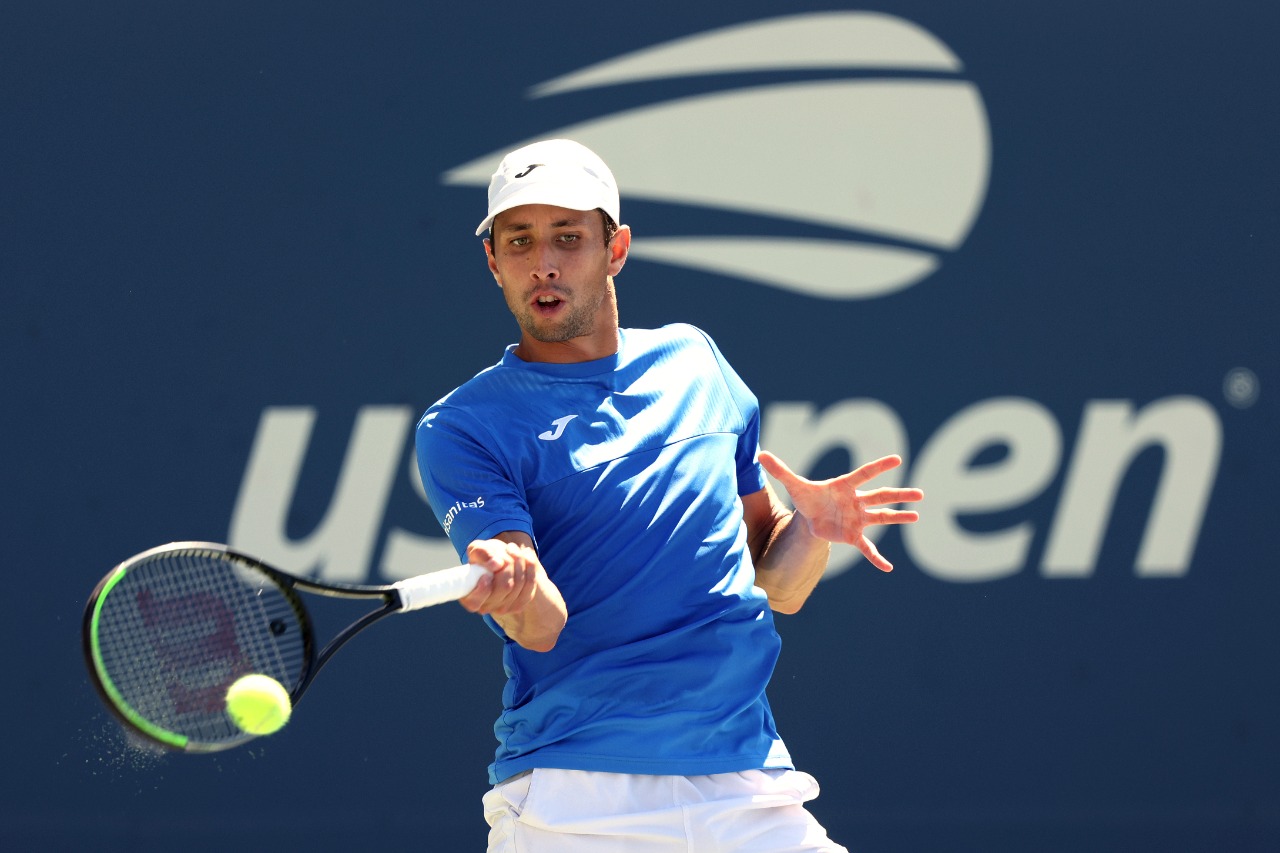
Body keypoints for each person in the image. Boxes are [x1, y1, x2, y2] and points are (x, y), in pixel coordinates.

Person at [415, 139, 923, 852]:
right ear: (494, 260)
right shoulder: (463, 426)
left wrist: (812, 529)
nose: (545, 263)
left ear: (615, 249)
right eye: (520, 241)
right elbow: (542, 624)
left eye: (569, 237)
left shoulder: (698, 363)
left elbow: (777, 581)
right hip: (575, 794)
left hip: (745, 778)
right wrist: (516, 587)